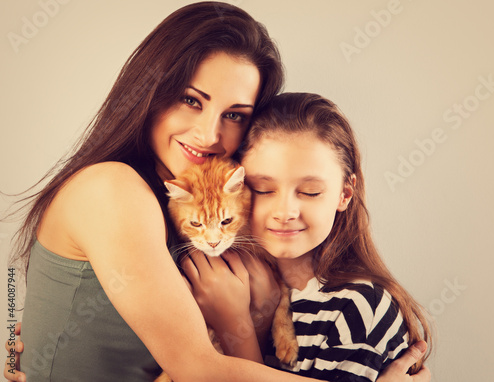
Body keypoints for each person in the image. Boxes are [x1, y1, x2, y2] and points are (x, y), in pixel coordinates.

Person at [3, 2, 430, 381]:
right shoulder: (112, 188)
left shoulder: (191, 208)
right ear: (151, 92)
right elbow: (198, 368)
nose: (209, 134)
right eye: (192, 100)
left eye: (234, 114)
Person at [182, 93, 432, 381]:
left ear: (344, 193)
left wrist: (235, 325)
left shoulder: (357, 307)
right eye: (263, 189)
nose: (285, 212)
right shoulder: (212, 281)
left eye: (310, 192)